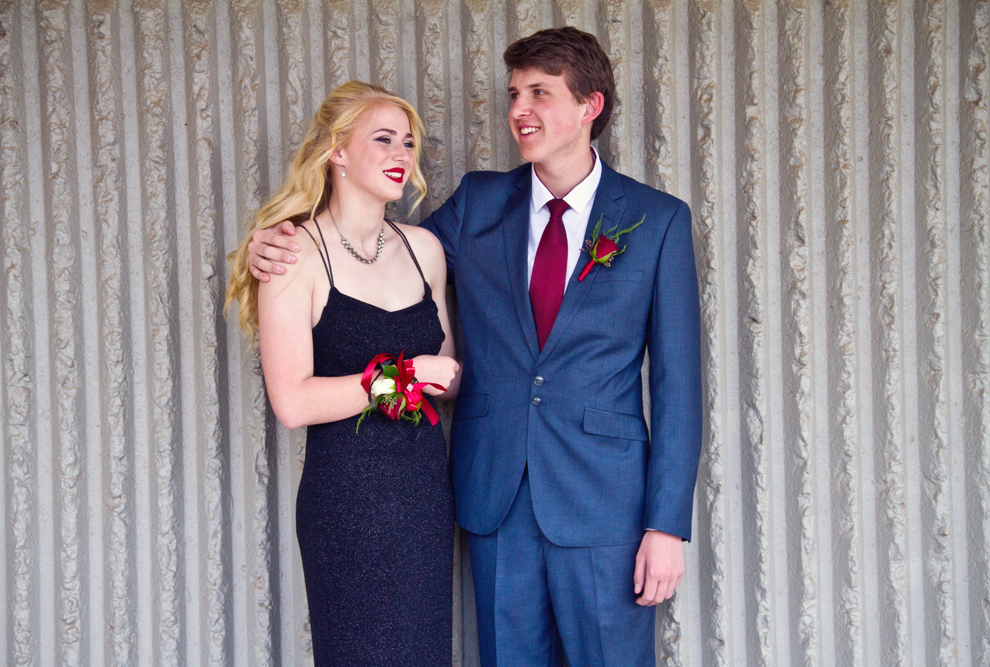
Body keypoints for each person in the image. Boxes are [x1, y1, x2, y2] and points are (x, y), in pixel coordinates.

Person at [249, 27, 702, 667]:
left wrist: (666, 525)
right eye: (514, 94)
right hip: (495, 503)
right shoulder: (477, 206)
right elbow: (376, 257)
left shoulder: (657, 221)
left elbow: (678, 385)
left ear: (590, 106)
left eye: (539, 93)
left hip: (607, 509)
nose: (520, 110)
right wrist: (272, 244)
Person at [225, 81, 460, 666]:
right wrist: (403, 377)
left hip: (424, 496)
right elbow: (292, 402)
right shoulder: (292, 254)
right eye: (383, 139)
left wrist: (437, 376)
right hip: (346, 500)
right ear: (337, 151)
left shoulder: (425, 249)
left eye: (408, 142)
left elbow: (448, 376)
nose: (401, 154)